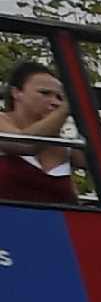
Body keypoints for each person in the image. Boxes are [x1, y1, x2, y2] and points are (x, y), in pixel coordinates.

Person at [0, 55, 82, 205]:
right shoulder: (2, 121)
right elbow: (25, 145)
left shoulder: (61, 144)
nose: (55, 102)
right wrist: (65, 110)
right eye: (45, 93)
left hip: (57, 226)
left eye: (59, 97)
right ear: (16, 93)